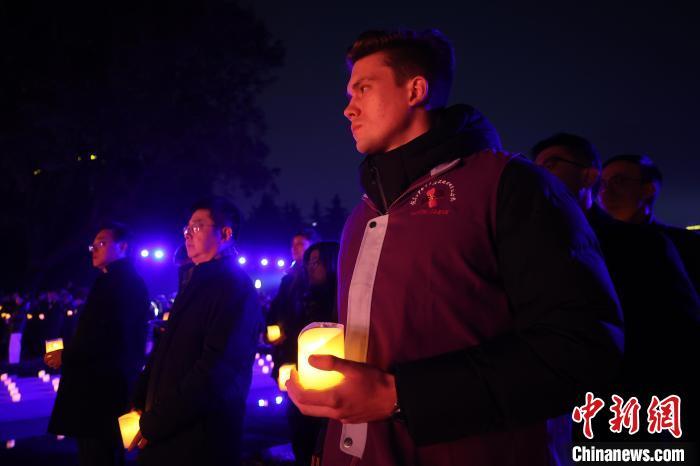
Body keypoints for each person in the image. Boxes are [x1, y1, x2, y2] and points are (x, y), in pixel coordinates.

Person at [286, 29, 623, 466]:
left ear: (415, 89)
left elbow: (580, 347)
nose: (348, 107)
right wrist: (327, 440)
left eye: (363, 89)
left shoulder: (511, 186)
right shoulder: (361, 217)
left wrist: (399, 396)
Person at [533, 133, 700, 441]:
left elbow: (681, 332)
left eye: (552, 164)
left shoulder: (648, 244)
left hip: (629, 407)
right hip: (563, 407)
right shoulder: (536, 244)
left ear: (587, 175)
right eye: (536, 165)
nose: (540, 174)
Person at [130, 196, 261, 466]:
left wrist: (158, 420)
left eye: (198, 226)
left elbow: (216, 370)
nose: (188, 233)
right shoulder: (196, 281)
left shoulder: (233, 287)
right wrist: (141, 397)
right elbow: (167, 348)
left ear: (225, 233)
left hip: (199, 438)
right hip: (169, 429)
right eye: (187, 228)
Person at [45, 222, 150, 466]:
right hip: (112, 384)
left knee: (98, 453)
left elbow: (103, 335)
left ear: (123, 247)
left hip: (99, 389)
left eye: (102, 243)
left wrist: (67, 355)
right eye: (93, 244)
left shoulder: (115, 282)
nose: (94, 249)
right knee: (105, 451)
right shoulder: (124, 280)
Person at [598, 154, 700, 293]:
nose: (606, 191)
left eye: (618, 181)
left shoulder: (685, 244)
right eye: (602, 183)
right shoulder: (592, 244)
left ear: (649, 189)